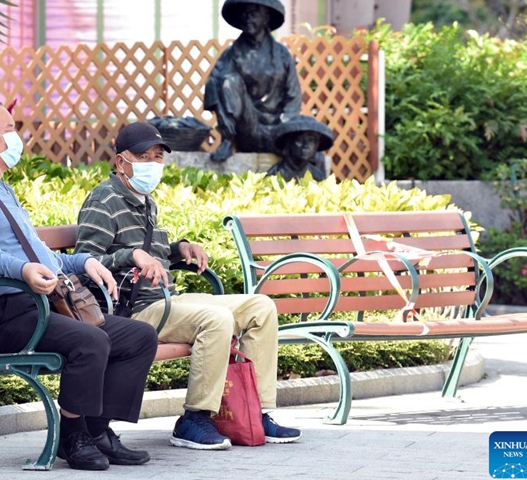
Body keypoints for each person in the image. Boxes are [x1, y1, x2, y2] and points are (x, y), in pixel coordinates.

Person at [0, 98, 158, 471]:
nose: (16, 137)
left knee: (138, 337)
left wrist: (83, 261)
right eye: (9, 130)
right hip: (4, 315)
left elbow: (44, 258)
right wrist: (22, 270)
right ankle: (71, 437)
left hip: (41, 307)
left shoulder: (0, 189)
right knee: (91, 341)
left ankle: (97, 430)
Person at [75, 121, 302, 450]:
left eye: (157, 156)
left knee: (260, 307)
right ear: (121, 161)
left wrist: (179, 248)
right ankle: (194, 419)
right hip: (132, 311)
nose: (152, 163)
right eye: (143, 156)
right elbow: (86, 262)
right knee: (216, 320)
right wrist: (131, 256)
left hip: (166, 301)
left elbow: (150, 251)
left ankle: (256, 412)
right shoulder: (103, 200)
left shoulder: (146, 200)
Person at [205, 0, 303, 163]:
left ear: (266, 18)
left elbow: (293, 95)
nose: (247, 18)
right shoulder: (232, 53)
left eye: (253, 14)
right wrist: (222, 115)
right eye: (244, 14)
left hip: (277, 130)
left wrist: (285, 128)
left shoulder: (282, 54)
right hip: (246, 128)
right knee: (229, 80)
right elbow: (212, 83)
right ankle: (227, 140)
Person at [267, 115, 335, 181]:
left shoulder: (317, 176)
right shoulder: (274, 176)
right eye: (299, 140)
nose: (305, 145)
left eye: (311, 141)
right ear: (288, 144)